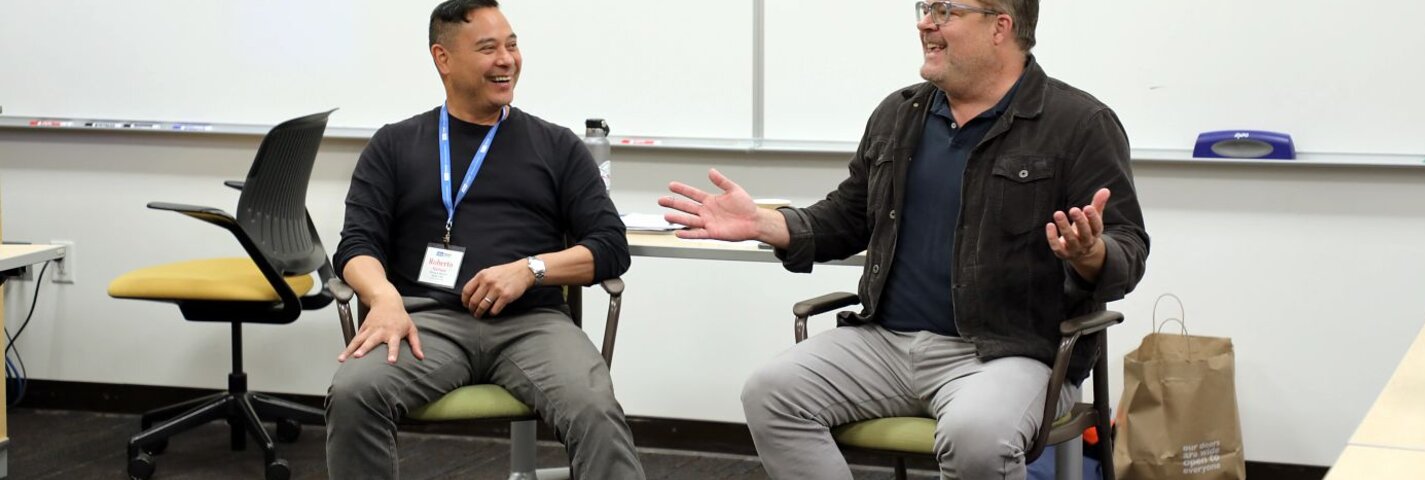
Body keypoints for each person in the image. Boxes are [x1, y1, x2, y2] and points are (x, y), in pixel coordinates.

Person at [659, 1, 1149, 478]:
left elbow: (1128, 246)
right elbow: (849, 215)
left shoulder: (1078, 124)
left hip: (1007, 352)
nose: (925, 24)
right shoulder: (900, 114)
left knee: (977, 437)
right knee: (771, 393)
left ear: (1000, 26)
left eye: (944, 11)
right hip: (886, 343)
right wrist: (767, 224)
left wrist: (1091, 254)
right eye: (924, 9)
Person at [326, 1, 643, 478]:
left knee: (594, 407)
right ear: (443, 59)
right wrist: (383, 297)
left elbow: (610, 245)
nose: (507, 60)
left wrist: (531, 269)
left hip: (532, 323)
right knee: (353, 395)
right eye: (488, 48)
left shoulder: (556, 146)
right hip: (424, 322)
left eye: (512, 45)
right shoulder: (394, 144)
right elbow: (355, 246)